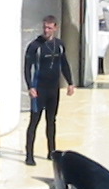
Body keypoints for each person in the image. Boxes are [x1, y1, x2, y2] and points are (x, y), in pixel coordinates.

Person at [23, 14, 75, 166]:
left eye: (49, 28)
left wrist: (70, 83)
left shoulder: (59, 45)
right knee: (34, 122)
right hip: (39, 90)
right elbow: (27, 68)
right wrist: (30, 87)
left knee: (51, 121)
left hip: (53, 90)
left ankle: (51, 152)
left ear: (55, 28)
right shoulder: (35, 46)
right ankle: (29, 155)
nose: (46, 30)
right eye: (45, 27)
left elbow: (64, 64)